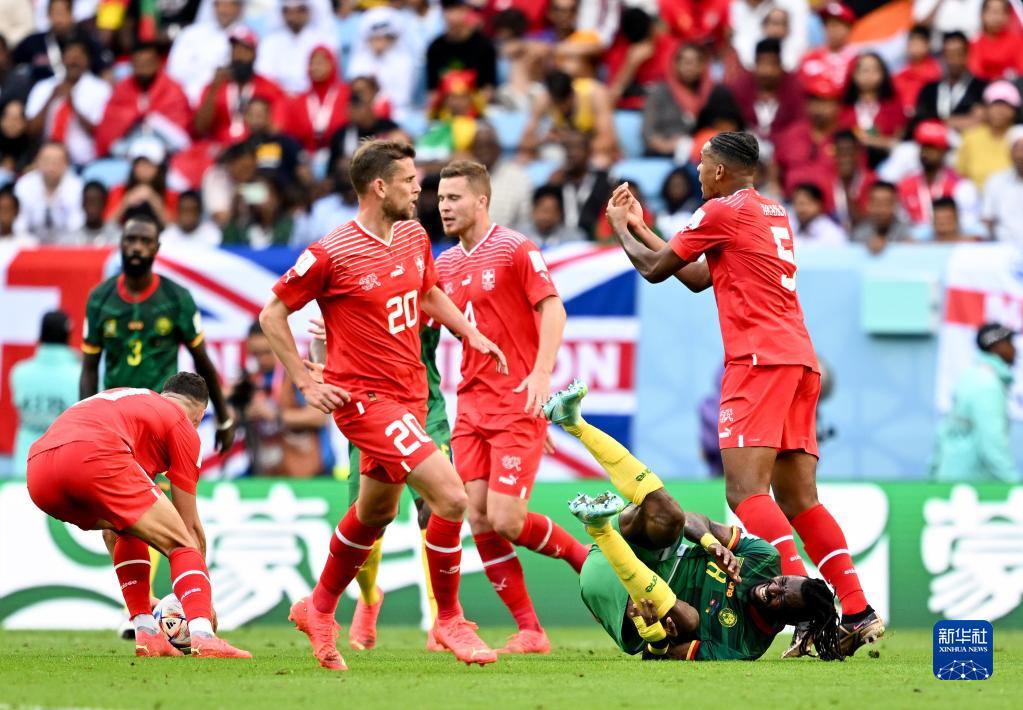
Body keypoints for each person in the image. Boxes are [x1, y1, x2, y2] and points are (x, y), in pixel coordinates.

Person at [602, 131, 884, 658]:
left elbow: (656, 270)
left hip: (758, 362)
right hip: (799, 360)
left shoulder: (720, 210)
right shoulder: (771, 212)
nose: (698, 172)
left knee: (745, 493)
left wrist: (619, 226)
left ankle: (803, 612)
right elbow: (697, 276)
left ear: (720, 170)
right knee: (801, 501)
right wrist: (642, 225)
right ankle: (856, 609)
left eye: (703, 164)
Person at [258, 139, 508, 671]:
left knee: (374, 513)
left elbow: (428, 292)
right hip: (364, 401)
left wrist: (469, 332)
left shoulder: (413, 235)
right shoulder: (331, 252)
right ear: (379, 187)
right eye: (409, 181)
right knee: (451, 497)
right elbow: (272, 314)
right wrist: (304, 380)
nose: (419, 189)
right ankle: (450, 620)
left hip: (410, 395)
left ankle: (317, 608)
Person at [543, 381, 844, 661]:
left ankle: (599, 529)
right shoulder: (764, 560)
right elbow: (692, 520)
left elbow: (660, 655)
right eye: (782, 582)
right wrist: (711, 543)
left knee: (688, 618)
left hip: (628, 601)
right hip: (643, 551)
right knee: (670, 517)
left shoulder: (745, 645)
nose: (772, 588)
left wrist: (656, 638)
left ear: (787, 620)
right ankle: (573, 422)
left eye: (780, 599)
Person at [435, 160, 586, 653]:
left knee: (505, 520)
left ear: (482, 200)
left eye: (454, 198)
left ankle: (583, 558)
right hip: (470, 406)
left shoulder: (515, 248)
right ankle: (531, 631)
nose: (444, 207)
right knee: (477, 519)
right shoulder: (443, 266)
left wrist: (542, 373)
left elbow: (552, 307)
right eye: (440, 198)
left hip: (517, 402)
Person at [25, 375, 250, 658]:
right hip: (92, 455)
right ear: (200, 415)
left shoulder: (131, 400)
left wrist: (141, 597)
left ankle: (147, 632)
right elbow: (189, 526)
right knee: (181, 544)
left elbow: (112, 532)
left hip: (39, 474)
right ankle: (204, 637)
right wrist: (202, 604)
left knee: (124, 527)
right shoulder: (181, 424)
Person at [80, 204, 235, 451]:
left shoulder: (177, 298)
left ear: (157, 248)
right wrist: (85, 423)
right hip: (115, 418)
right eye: (131, 239)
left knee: (160, 478)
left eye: (145, 241)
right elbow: (89, 368)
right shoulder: (99, 299)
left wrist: (223, 418)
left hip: (161, 417)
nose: (137, 247)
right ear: (120, 244)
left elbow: (202, 361)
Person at [934, 323, 1020, 482]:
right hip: (971, 485)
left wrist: (933, 476)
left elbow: (943, 432)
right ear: (997, 347)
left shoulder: (971, 377)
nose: (1015, 349)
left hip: (952, 479)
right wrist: (1013, 485)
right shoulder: (987, 386)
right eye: (1009, 343)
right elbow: (992, 444)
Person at [95, 41, 192, 158]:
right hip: (127, 151)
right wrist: (133, 115)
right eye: (138, 64)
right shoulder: (121, 90)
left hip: (168, 152)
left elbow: (182, 135)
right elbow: (109, 130)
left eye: (148, 63)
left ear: (158, 62)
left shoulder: (173, 89)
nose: (143, 69)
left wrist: (153, 119)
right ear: (131, 65)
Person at [11, 311, 79, 477]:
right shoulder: (79, 376)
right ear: (68, 336)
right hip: (64, 468)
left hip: (23, 465)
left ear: (40, 336)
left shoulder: (19, 372)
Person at [24, 38, 112, 167]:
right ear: (62, 59)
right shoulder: (44, 87)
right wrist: (50, 99)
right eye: (70, 57)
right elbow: (31, 130)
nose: (73, 62)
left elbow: (100, 133)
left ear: (88, 60)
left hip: (84, 163)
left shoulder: (101, 89)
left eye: (78, 57)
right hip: (46, 162)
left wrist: (73, 105)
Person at [915, 31, 987, 133]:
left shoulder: (981, 87)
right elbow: (922, 122)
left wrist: (939, 122)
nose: (954, 60)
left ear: (967, 54)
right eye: (949, 54)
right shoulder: (929, 90)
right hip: (933, 141)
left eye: (958, 54)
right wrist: (961, 121)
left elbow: (979, 122)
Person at [12, 141, 84, 242]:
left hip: (67, 244)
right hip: (30, 244)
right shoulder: (24, 185)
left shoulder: (77, 187)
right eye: (47, 161)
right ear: (37, 162)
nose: (51, 166)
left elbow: (77, 223)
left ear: (66, 164)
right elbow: (19, 223)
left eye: (57, 161)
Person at [956, 80, 1021, 189]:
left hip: (1011, 193)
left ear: (1014, 111)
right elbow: (960, 172)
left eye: (1006, 106)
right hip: (977, 193)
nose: (1000, 111)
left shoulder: (1018, 137)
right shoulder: (971, 136)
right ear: (986, 108)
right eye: (995, 105)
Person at [981, 126, 1023, 247]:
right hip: (1003, 250)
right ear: (1010, 153)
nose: (1021, 155)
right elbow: (987, 219)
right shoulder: (996, 181)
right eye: (1017, 149)